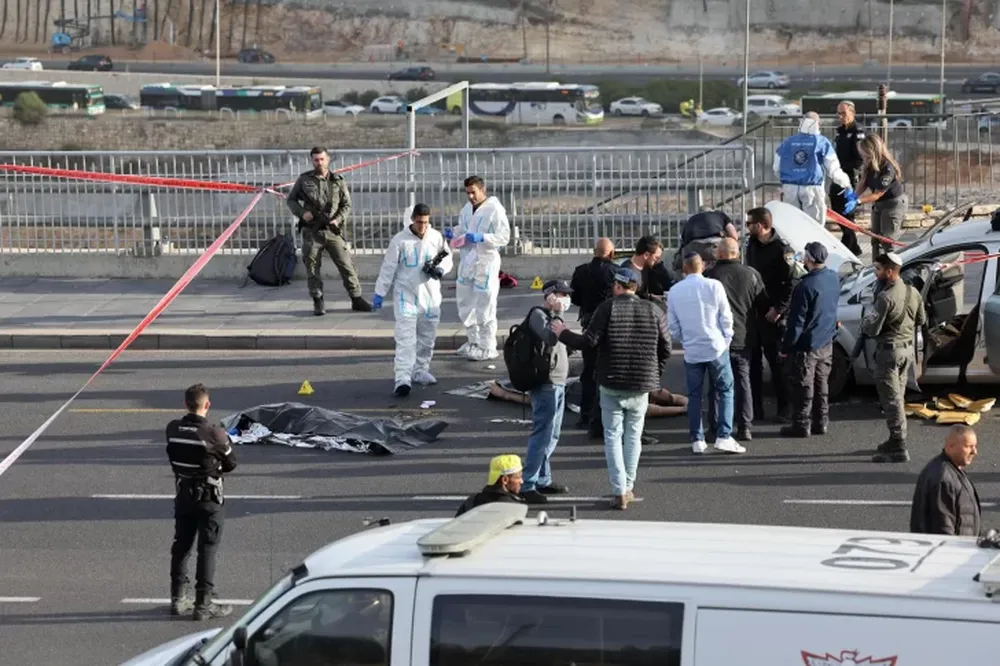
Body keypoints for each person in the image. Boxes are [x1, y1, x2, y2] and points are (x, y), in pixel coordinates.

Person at [552, 267, 670, 510]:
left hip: (611, 381)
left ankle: (619, 490)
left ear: (618, 286)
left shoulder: (608, 307)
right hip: (641, 384)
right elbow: (666, 347)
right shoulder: (654, 310)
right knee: (633, 436)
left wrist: (563, 333)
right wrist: (654, 373)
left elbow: (589, 342)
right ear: (635, 287)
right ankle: (628, 484)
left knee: (613, 436)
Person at [165, 383, 237, 621]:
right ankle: (203, 604)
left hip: (183, 495)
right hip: (209, 498)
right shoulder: (214, 433)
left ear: (185, 404)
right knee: (207, 550)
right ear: (207, 405)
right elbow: (231, 463)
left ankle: (178, 598)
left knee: (181, 546)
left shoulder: (173, 429)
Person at [372, 203, 453, 398]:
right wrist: (379, 292)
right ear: (412, 220)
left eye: (426, 222)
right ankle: (403, 378)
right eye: (419, 222)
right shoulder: (400, 241)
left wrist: (441, 269)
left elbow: (447, 258)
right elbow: (388, 267)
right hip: (405, 295)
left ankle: (421, 369)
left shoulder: (435, 237)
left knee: (427, 336)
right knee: (406, 338)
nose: (422, 227)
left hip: (430, 295)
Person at [667, 252, 742, 455]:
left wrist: (685, 340)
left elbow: (673, 326)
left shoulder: (674, 291)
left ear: (685, 268)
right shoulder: (714, 286)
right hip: (716, 347)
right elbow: (726, 317)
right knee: (725, 390)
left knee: (694, 396)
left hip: (692, 350)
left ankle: (697, 439)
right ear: (703, 266)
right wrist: (725, 341)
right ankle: (724, 436)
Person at [286, 146, 373, 316]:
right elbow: (291, 200)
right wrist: (303, 213)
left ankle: (356, 298)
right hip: (312, 232)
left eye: (322, 159)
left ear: (328, 159)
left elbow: (346, 205)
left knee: (347, 265)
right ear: (312, 161)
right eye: (316, 160)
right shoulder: (304, 180)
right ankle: (318, 300)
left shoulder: (338, 181)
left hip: (333, 231)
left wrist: (337, 219)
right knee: (312, 267)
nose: (319, 162)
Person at [862, 252, 926, 463]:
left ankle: (898, 444)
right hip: (906, 352)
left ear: (889, 272)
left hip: (889, 354)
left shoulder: (885, 298)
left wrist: (866, 321)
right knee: (898, 397)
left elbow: (872, 329)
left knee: (891, 400)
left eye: (878, 270)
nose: (876, 273)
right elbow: (921, 319)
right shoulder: (913, 291)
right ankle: (897, 438)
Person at [705, 238, 768, 441]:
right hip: (743, 335)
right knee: (743, 381)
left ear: (720, 254)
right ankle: (745, 426)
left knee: (716, 383)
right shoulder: (751, 274)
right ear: (737, 253)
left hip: (716, 338)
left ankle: (715, 425)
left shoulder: (710, 277)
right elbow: (763, 304)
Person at [519, 279, 573, 504]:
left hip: (559, 381)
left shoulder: (553, 317)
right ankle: (528, 483)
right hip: (546, 383)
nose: (565, 299)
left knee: (553, 433)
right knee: (542, 433)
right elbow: (551, 338)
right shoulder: (538, 315)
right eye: (561, 294)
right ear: (550, 295)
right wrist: (559, 316)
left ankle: (543, 479)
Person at [779, 242, 840, 438]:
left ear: (809, 259)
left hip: (807, 345)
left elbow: (796, 322)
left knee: (804, 386)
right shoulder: (833, 278)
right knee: (822, 383)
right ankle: (821, 421)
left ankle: (801, 424)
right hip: (826, 340)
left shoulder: (804, 286)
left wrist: (786, 346)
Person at [449, 175, 511, 362]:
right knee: (465, 303)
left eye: (473, 192)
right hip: (468, 261)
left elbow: (503, 237)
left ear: (482, 190)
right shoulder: (467, 209)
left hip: (486, 262)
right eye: (467, 193)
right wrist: (452, 233)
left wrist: (482, 237)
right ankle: (474, 342)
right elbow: (462, 229)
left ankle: (488, 346)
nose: (470, 197)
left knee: (485, 304)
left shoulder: (495, 210)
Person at [745, 207, 795, 423]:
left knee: (776, 364)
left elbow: (791, 283)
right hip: (754, 313)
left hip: (773, 314)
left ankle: (785, 408)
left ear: (762, 225)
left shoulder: (782, 249)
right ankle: (755, 409)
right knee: (752, 364)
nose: (747, 227)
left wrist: (779, 309)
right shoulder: (751, 245)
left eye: (750, 223)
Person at [569, 238, 617, 429]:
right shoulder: (615, 272)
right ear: (612, 253)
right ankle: (605, 415)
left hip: (589, 323)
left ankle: (585, 415)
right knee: (609, 371)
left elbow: (575, 298)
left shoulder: (581, 271)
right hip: (611, 326)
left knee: (588, 372)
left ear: (594, 252)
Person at [774, 111, 853, 225]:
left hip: (789, 189)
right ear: (818, 124)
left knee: (793, 225)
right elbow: (833, 169)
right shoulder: (821, 142)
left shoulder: (788, 142)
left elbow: (776, 168)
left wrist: (789, 179)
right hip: (812, 189)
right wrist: (846, 184)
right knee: (814, 227)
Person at [910, 425, 982, 537]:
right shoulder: (943, 478)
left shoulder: (952, 470)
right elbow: (943, 527)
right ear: (951, 446)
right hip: (951, 551)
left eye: (975, 446)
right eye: (969, 446)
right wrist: (950, 551)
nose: (974, 452)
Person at [852, 133, 907, 258]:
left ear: (872, 151)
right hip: (879, 204)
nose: (862, 156)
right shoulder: (869, 163)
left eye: (864, 153)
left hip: (893, 204)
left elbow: (877, 194)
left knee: (887, 241)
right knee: (875, 240)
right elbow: (863, 182)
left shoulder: (887, 168)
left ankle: (890, 270)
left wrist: (858, 202)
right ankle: (876, 269)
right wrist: (854, 196)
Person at [829, 100, 865, 255]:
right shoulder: (840, 131)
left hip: (850, 176)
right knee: (837, 211)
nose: (840, 116)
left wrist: (845, 171)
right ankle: (853, 247)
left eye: (843, 113)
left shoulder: (858, 132)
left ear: (852, 113)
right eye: (838, 113)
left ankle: (847, 247)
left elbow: (860, 159)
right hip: (838, 175)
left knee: (847, 214)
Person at [673, 206, 739, 273]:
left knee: (692, 269)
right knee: (722, 265)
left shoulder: (690, 220)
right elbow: (734, 236)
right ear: (711, 211)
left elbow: (683, 242)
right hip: (714, 245)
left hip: (692, 247)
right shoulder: (719, 215)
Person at [455, 454, 526, 516]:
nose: (522, 481)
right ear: (505, 480)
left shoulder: (470, 502)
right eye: (519, 477)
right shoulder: (513, 509)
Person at [621, 236, 672, 310]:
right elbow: (625, 300)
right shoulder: (628, 272)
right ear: (646, 255)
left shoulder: (647, 267)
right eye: (656, 258)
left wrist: (654, 297)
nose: (658, 261)